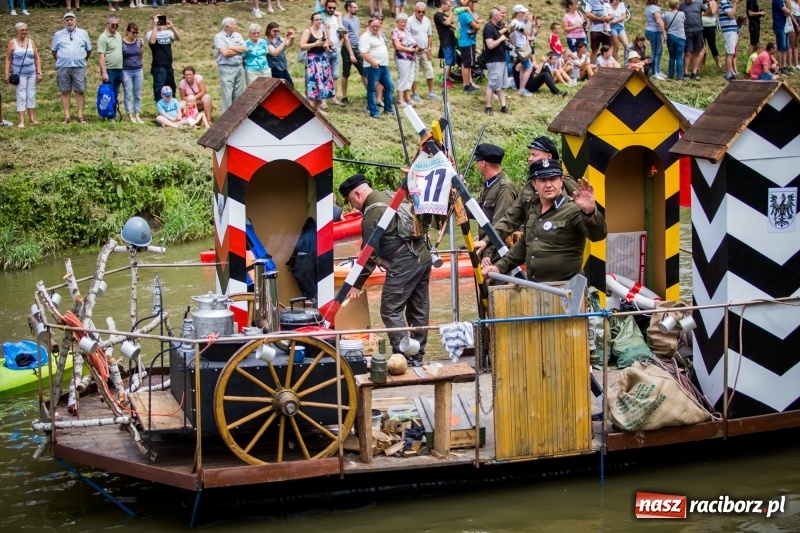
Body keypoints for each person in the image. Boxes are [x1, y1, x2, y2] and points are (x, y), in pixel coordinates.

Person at [339, 173, 432, 361]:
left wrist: (356, 284)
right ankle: (417, 357)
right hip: (423, 257)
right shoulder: (391, 195)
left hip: (404, 262)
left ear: (357, 194)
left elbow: (369, 255)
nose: (352, 207)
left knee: (390, 310)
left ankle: (404, 356)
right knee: (418, 309)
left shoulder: (372, 212)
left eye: (351, 201)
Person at [482, 159, 607, 283]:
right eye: (542, 180)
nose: (548, 185)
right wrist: (499, 267)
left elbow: (598, 235)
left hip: (567, 289)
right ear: (534, 184)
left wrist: (590, 212)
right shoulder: (533, 210)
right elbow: (523, 246)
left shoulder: (573, 209)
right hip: (538, 288)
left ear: (561, 181)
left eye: (553, 179)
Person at [475, 137, 577, 259]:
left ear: (548, 157)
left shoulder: (565, 181)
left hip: (560, 253)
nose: (530, 158)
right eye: (530, 155)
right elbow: (511, 218)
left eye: (534, 155)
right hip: (533, 253)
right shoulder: (529, 186)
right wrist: (487, 240)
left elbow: (583, 215)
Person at [474, 144, 518, 262]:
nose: (476, 165)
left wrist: (488, 254)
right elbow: (480, 213)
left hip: (497, 255)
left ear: (483, 163)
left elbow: (501, 223)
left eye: (477, 161)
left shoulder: (504, 188)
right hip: (485, 248)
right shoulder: (490, 185)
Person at [51, 12, 92, 124]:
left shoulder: (83, 33)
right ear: (64, 22)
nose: (69, 22)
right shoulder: (58, 34)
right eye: (67, 20)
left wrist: (81, 59)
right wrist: (62, 60)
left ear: (75, 20)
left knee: (79, 91)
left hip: (79, 66)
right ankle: (67, 116)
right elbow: (54, 51)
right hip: (63, 66)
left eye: (71, 19)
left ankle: (80, 115)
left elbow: (89, 50)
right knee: (65, 91)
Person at [4, 22, 40, 128]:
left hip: (31, 72)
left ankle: (32, 118)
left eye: (25, 30)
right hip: (19, 73)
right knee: (21, 94)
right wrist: (6, 73)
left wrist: (39, 72)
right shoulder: (12, 43)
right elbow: (8, 59)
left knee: (31, 94)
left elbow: (37, 58)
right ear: (17, 31)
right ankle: (21, 120)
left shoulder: (31, 42)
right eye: (22, 30)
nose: (24, 32)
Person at [360, 14, 395, 118]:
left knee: (390, 86)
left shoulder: (380, 34)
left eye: (377, 26)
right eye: (373, 26)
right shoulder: (365, 37)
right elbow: (364, 53)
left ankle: (388, 108)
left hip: (383, 66)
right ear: (369, 26)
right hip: (373, 67)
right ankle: (374, 111)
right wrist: (373, 63)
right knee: (372, 89)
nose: (375, 28)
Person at [300, 12, 335, 111]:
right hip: (313, 60)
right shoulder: (308, 31)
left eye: (320, 19)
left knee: (322, 83)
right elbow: (302, 45)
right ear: (312, 21)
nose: (319, 21)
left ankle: (318, 108)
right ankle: (311, 109)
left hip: (323, 60)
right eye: (317, 20)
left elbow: (327, 48)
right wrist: (315, 44)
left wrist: (326, 46)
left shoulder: (323, 31)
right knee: (313, 83)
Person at [215, 17, 247, 114]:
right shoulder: (219, 37)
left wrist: (232, 48)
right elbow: (225, 53)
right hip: (226, 68)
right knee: (227, 94)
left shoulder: (238, 35)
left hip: (239, 67)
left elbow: (245, 49)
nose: (236, 26)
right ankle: (226, 118)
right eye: (234, 24)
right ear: (227, 26)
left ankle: (237, 116)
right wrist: (238, 50)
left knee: (238, 93)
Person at [482, 8, 510, 115]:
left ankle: (503, 106)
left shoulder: (494, 28)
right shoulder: (488, 28)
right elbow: (490, 45)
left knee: (501, 84)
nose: (502, 17)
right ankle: (488, 107)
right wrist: (501, 39)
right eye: (500, 15)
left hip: (501, 59)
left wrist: (504, 40)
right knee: (492, 84)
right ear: (495, 17)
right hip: (493, 60)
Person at [146, 14, 180, 103]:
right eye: (156, 18)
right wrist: (155, 26)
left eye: (160, 18)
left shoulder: (168, 33)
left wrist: (171, 27)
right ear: (152, 21)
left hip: (168, 64)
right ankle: (160, 107)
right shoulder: (150, 33)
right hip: (158, 65)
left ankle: (172, 106)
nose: (159, 21)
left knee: (171, 86)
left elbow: (178, 38)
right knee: (159, 88)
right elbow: (152, 41)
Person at [408, 3, 437, 100]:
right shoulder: (410, 21)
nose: (421, 13)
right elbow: (407, 36)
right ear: (415, 10)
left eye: (423, 12)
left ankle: (431, 91)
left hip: (424, 51)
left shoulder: (427, 20)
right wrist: (415, 46)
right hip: (413, 52)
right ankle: (415, 93)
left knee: (430, 70)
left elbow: (429, 36)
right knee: (414, 73)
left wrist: (429, 49)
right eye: (419, 11)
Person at [341, 0, 365, 103]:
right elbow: (346, 38)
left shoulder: (357, 19)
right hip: (347, 49)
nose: (357, 9)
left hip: (357, 48)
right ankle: (344, 96)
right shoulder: (345, 20)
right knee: (346, 73)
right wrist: (351, 54)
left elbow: (358, 33)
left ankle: (370, 93)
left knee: (364, 72)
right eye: (354, 7)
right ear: (349, 8)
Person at [392, 13, 418, 108]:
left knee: (410, 77)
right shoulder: (396, 31)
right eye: (401, 22)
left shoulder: (407, 31)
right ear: (397, 22)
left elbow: (412, 42)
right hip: (402, 58)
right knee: (403, 77)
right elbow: (398, 46)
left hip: (411, 58)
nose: (403, 24)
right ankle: (400, 99)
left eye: (405, 22)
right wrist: (410, 50)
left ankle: (408, 97)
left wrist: (415, 48)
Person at [121, 22, 144, 124]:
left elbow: (141, 54)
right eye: (133, 32)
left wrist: (139, 62)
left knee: (137, 93)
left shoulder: (139, 42)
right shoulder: (122, 43)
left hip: (138, 70)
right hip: (126, 71)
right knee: (127, 93)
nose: (135, 34)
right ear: (127, 32)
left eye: (137, 32)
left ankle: (137, 114)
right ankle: (130, 115)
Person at [457, 0, 482, 92]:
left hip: (463, 42)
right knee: (468, 65)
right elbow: (476, 26)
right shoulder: (466, 15)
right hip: (468, 42)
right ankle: (467, 86)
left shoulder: (461, 14)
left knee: (465, 63)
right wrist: (479, 22)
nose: (473, 5)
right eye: (472, 3)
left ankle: (467, 83)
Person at [98, 15, 124, 104]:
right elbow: (101, 55)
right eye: (113, 25)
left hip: (119, 69)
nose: (115, 27)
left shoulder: (118, 35)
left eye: (117, 25)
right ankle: (108, 114)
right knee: (108, 93)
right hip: (109, 70)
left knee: (116, 93)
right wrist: (104, 72)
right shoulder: (103, 37)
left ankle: (113, 112)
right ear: (107, 24)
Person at [680, 0, 708, 80]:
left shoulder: (699, 3)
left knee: (697, 52)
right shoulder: (682, 5)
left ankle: (694, 72)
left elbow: (708, 11)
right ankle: (685, 72)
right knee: (688, 52)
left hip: (698, 30)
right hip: (687, 31)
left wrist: (709, 4)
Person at [323, 0, 344, 106]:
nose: (331, 10)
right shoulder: (322, 18)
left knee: (335, 75)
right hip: (325, 50)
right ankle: (322, 100)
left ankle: (334, 98)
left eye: (333, 8)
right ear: (325, 7)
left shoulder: (337, 19)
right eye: (329, 7)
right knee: (324, 75)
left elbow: (339, 33)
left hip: (336, 49)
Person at [434, 0, 457, 88]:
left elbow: (453, 26)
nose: (449, 8)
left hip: (451, 41)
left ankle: (448, 79)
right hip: (446, 41)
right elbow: (448, 23)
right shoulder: (438, 15)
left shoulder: (445, 15)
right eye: (448, 6)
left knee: (451, 61)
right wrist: (451, 12)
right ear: (442, 5)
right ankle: (445, 81)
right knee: (448, 61)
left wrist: (450, 20)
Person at [266, 22, 295, 86]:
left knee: (290, 86)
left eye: (277, 31)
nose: (276, 33)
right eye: (274, 31)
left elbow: (288, 44)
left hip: (283, 67)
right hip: (275, 68)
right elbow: (274, 53)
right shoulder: (266, 41)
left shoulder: (278, 37)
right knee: (279, 87)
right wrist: (284, 41)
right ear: (268, 30)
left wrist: (292, 39)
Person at [645, 0, 668, 80]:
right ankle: (655, 72)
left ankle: (658, 70)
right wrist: (664, 32)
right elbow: (658, 21)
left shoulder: (648, 7)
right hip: (654, 31)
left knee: (659, 51)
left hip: (650, 30)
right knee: (655, 53)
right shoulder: (655, 8)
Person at [664, 0, 687, 79]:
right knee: (679, 57)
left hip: (670, 36)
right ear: (677, 5)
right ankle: (679, 76)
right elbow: (683, 22)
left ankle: (671, 74)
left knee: (672, 56)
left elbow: (665, 26)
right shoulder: (682, 14)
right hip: (680, 36)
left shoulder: (666, 14)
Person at [718, 0, 739, 79]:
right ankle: (729, 74)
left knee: (730, 52)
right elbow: (730, 15)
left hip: (731, 30)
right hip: (729, 31)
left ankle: (729, 72)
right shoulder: (724, 2)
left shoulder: (728, 3)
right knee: (730, 53)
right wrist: (735, 4)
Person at [701, 0, 723, 70]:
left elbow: (712, 12)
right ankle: (702, 64)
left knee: (712, 45)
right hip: (700, 26)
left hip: (710, 26)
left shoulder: (713, 2)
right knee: (701, 45)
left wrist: (704, 13)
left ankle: (718, 63)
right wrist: (705, 13)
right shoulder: (700, 2)